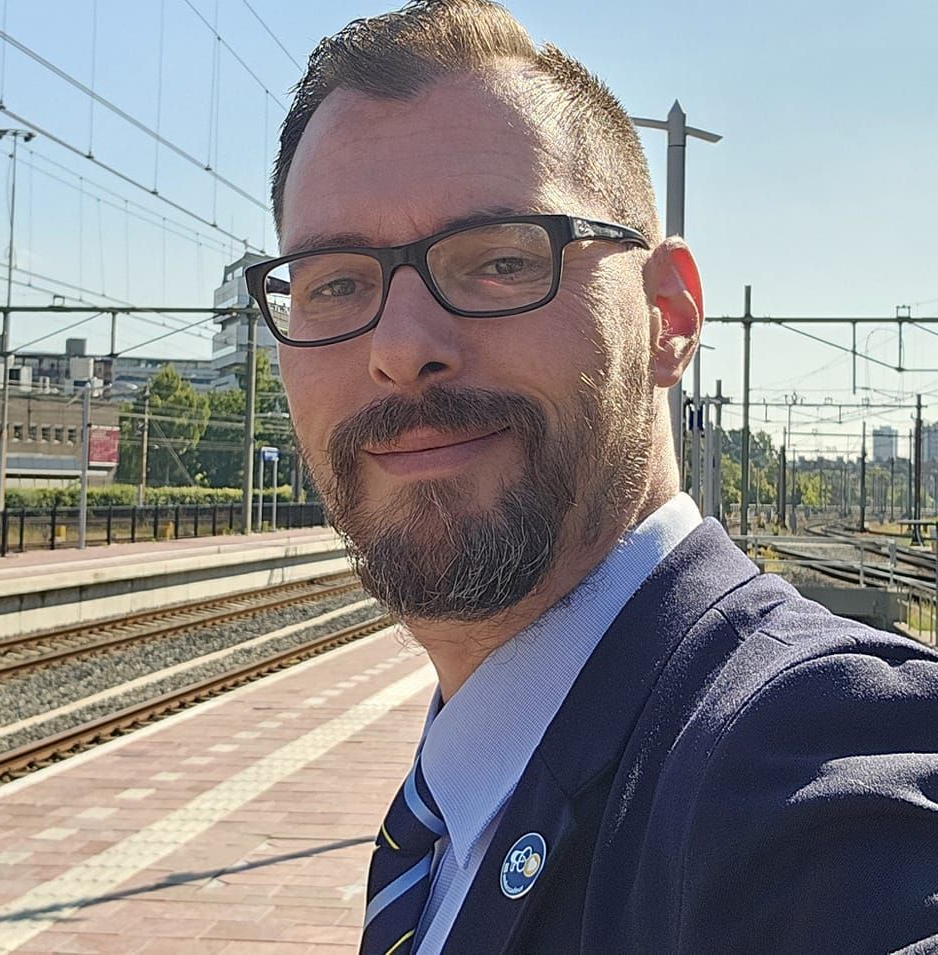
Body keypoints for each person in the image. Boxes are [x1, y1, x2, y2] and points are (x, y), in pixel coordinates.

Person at [245, 1, 938, 951]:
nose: (400, 349)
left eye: (500, 260)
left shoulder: (805, 756)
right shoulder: (460, 799)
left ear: (668, 317)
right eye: (335, 283)